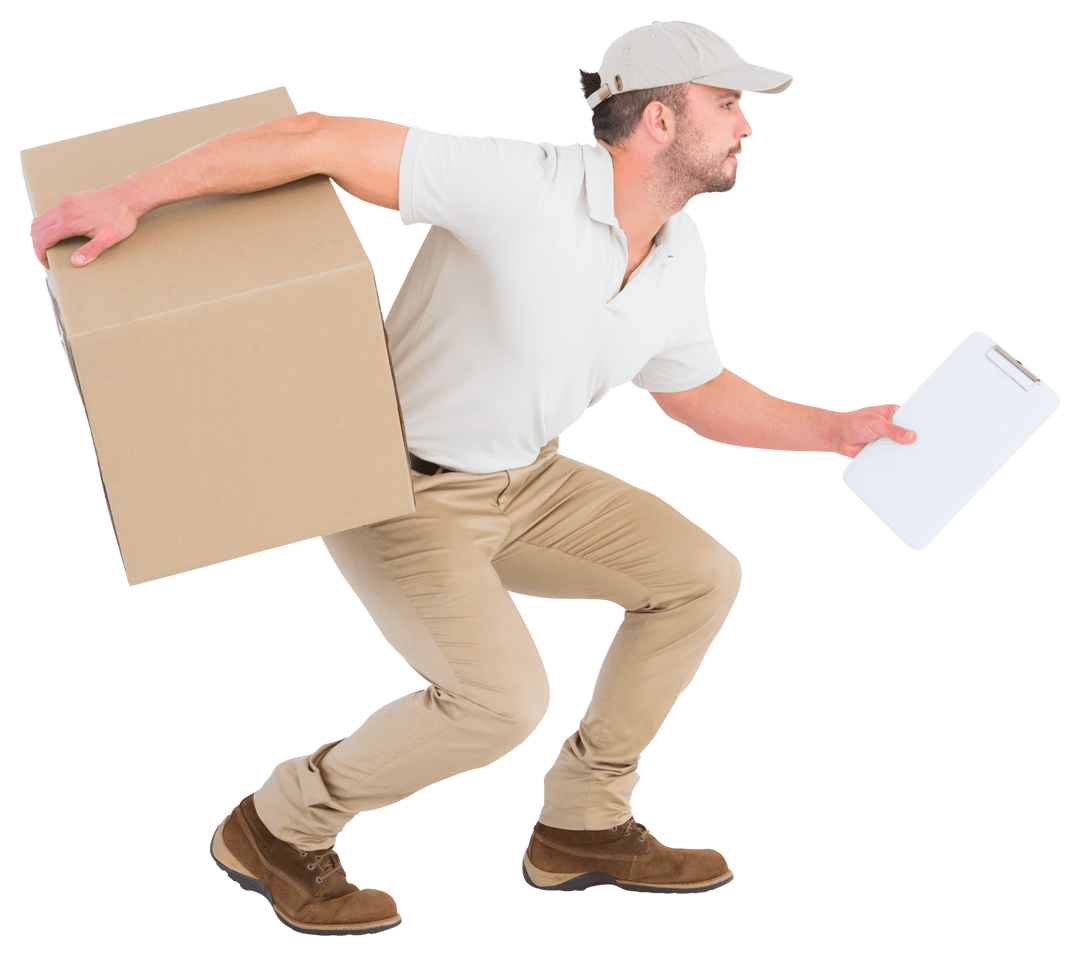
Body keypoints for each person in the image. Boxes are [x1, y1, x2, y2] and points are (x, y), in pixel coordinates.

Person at [29, 20, 916, 939]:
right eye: (728, 105)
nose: (746, 127)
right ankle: (276, 827)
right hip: (400, 490)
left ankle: (583, 824)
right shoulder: (519, 185)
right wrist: (134, 195)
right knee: (501, 704)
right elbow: (320, 138)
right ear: (659, 118)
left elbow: (696, 394)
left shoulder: (678, 251)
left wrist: (833, 430)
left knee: (700, 576)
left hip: (527, 482)